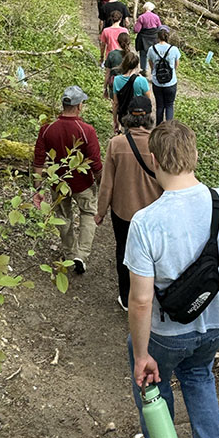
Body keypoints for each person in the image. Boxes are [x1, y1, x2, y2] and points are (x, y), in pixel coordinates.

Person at [124, 120, 219, 438]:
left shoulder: (146, 223)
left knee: (151, 374)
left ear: (154, 160)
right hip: (213, 324)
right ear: (194, 155)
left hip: (167, 333)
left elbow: (142, 299)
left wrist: (142, 352)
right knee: (199, 377)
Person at [95, 95, 161, 311]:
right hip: (153, 211)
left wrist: (100, 211)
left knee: (123, 251)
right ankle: (151, 294)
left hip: (123, 211)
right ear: (150, 117)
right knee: (153, 253)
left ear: (127, 118)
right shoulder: (159, 144)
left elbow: (107, 184)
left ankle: (126, 296)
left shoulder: (116, 144)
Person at [33, 85, 103, 275]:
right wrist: (101, 183)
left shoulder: (47, 130)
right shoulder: (86, 130)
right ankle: (81, 254)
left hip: (58, 182)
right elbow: (95, 163)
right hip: (83, 183)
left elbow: (39, 160)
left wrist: (38, 188)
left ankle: (70, 254)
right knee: (88, 213)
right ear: (79, 106)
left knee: (63, 217)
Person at [147, 27, 180, 124]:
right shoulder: (174, 49)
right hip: (171, 82)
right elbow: (176, 65)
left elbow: (151, 64)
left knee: (159, 106)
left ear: (158, 37)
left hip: (157, 82)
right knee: (169, 105)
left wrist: (155, 71)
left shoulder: (151, 49)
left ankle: (158, 127)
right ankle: (169, 128)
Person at [113, 51, 151, 129]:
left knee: (127, 135)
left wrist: (115, 121)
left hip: (124, 114)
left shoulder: (116, 80)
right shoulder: (142, 80)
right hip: (139, 115)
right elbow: (148, 100)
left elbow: (116, 103)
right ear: (137, 65)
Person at [134, 1, 162, 73]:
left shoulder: (141, 17)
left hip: (143, 38)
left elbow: (137, 30)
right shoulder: (156, 17)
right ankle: (154, 70)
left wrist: (135, 24)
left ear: (144, 8)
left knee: (143, 54)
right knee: (154, 54)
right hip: (154, 38)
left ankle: (144, 69)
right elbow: (160, 28)